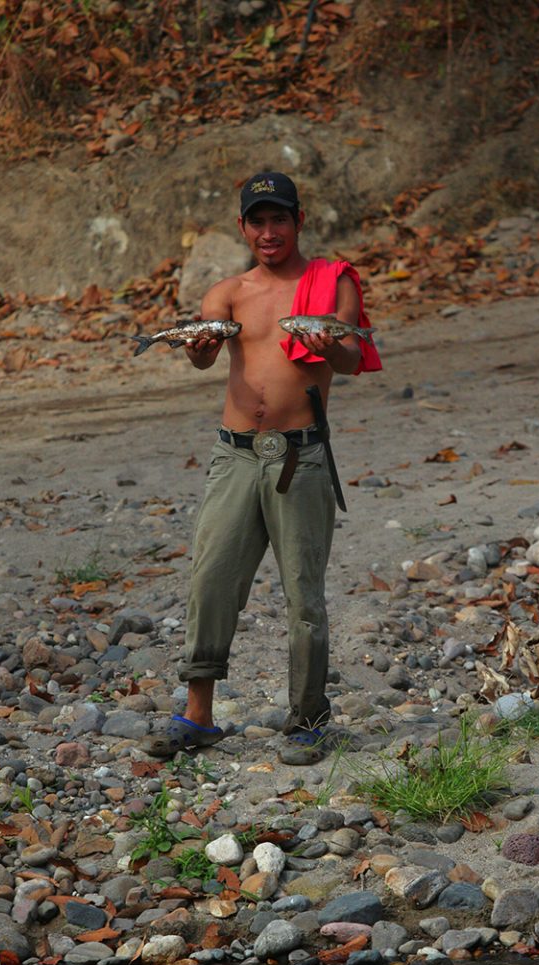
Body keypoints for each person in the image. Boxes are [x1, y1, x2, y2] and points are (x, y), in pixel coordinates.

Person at [155, 171, 381, 765]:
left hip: (300, 456)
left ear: (299, 221)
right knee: (211, 580)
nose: (269, 231)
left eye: (280, 218)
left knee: (304, 592)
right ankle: (197, 716)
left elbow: (353, 357)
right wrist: (199, 352)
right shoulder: (227, 293)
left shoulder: (332, 282)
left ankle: (308, 718)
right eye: (257, 221)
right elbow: (204, 360)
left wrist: (330, 345)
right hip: (234, 455)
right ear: (243, 227)